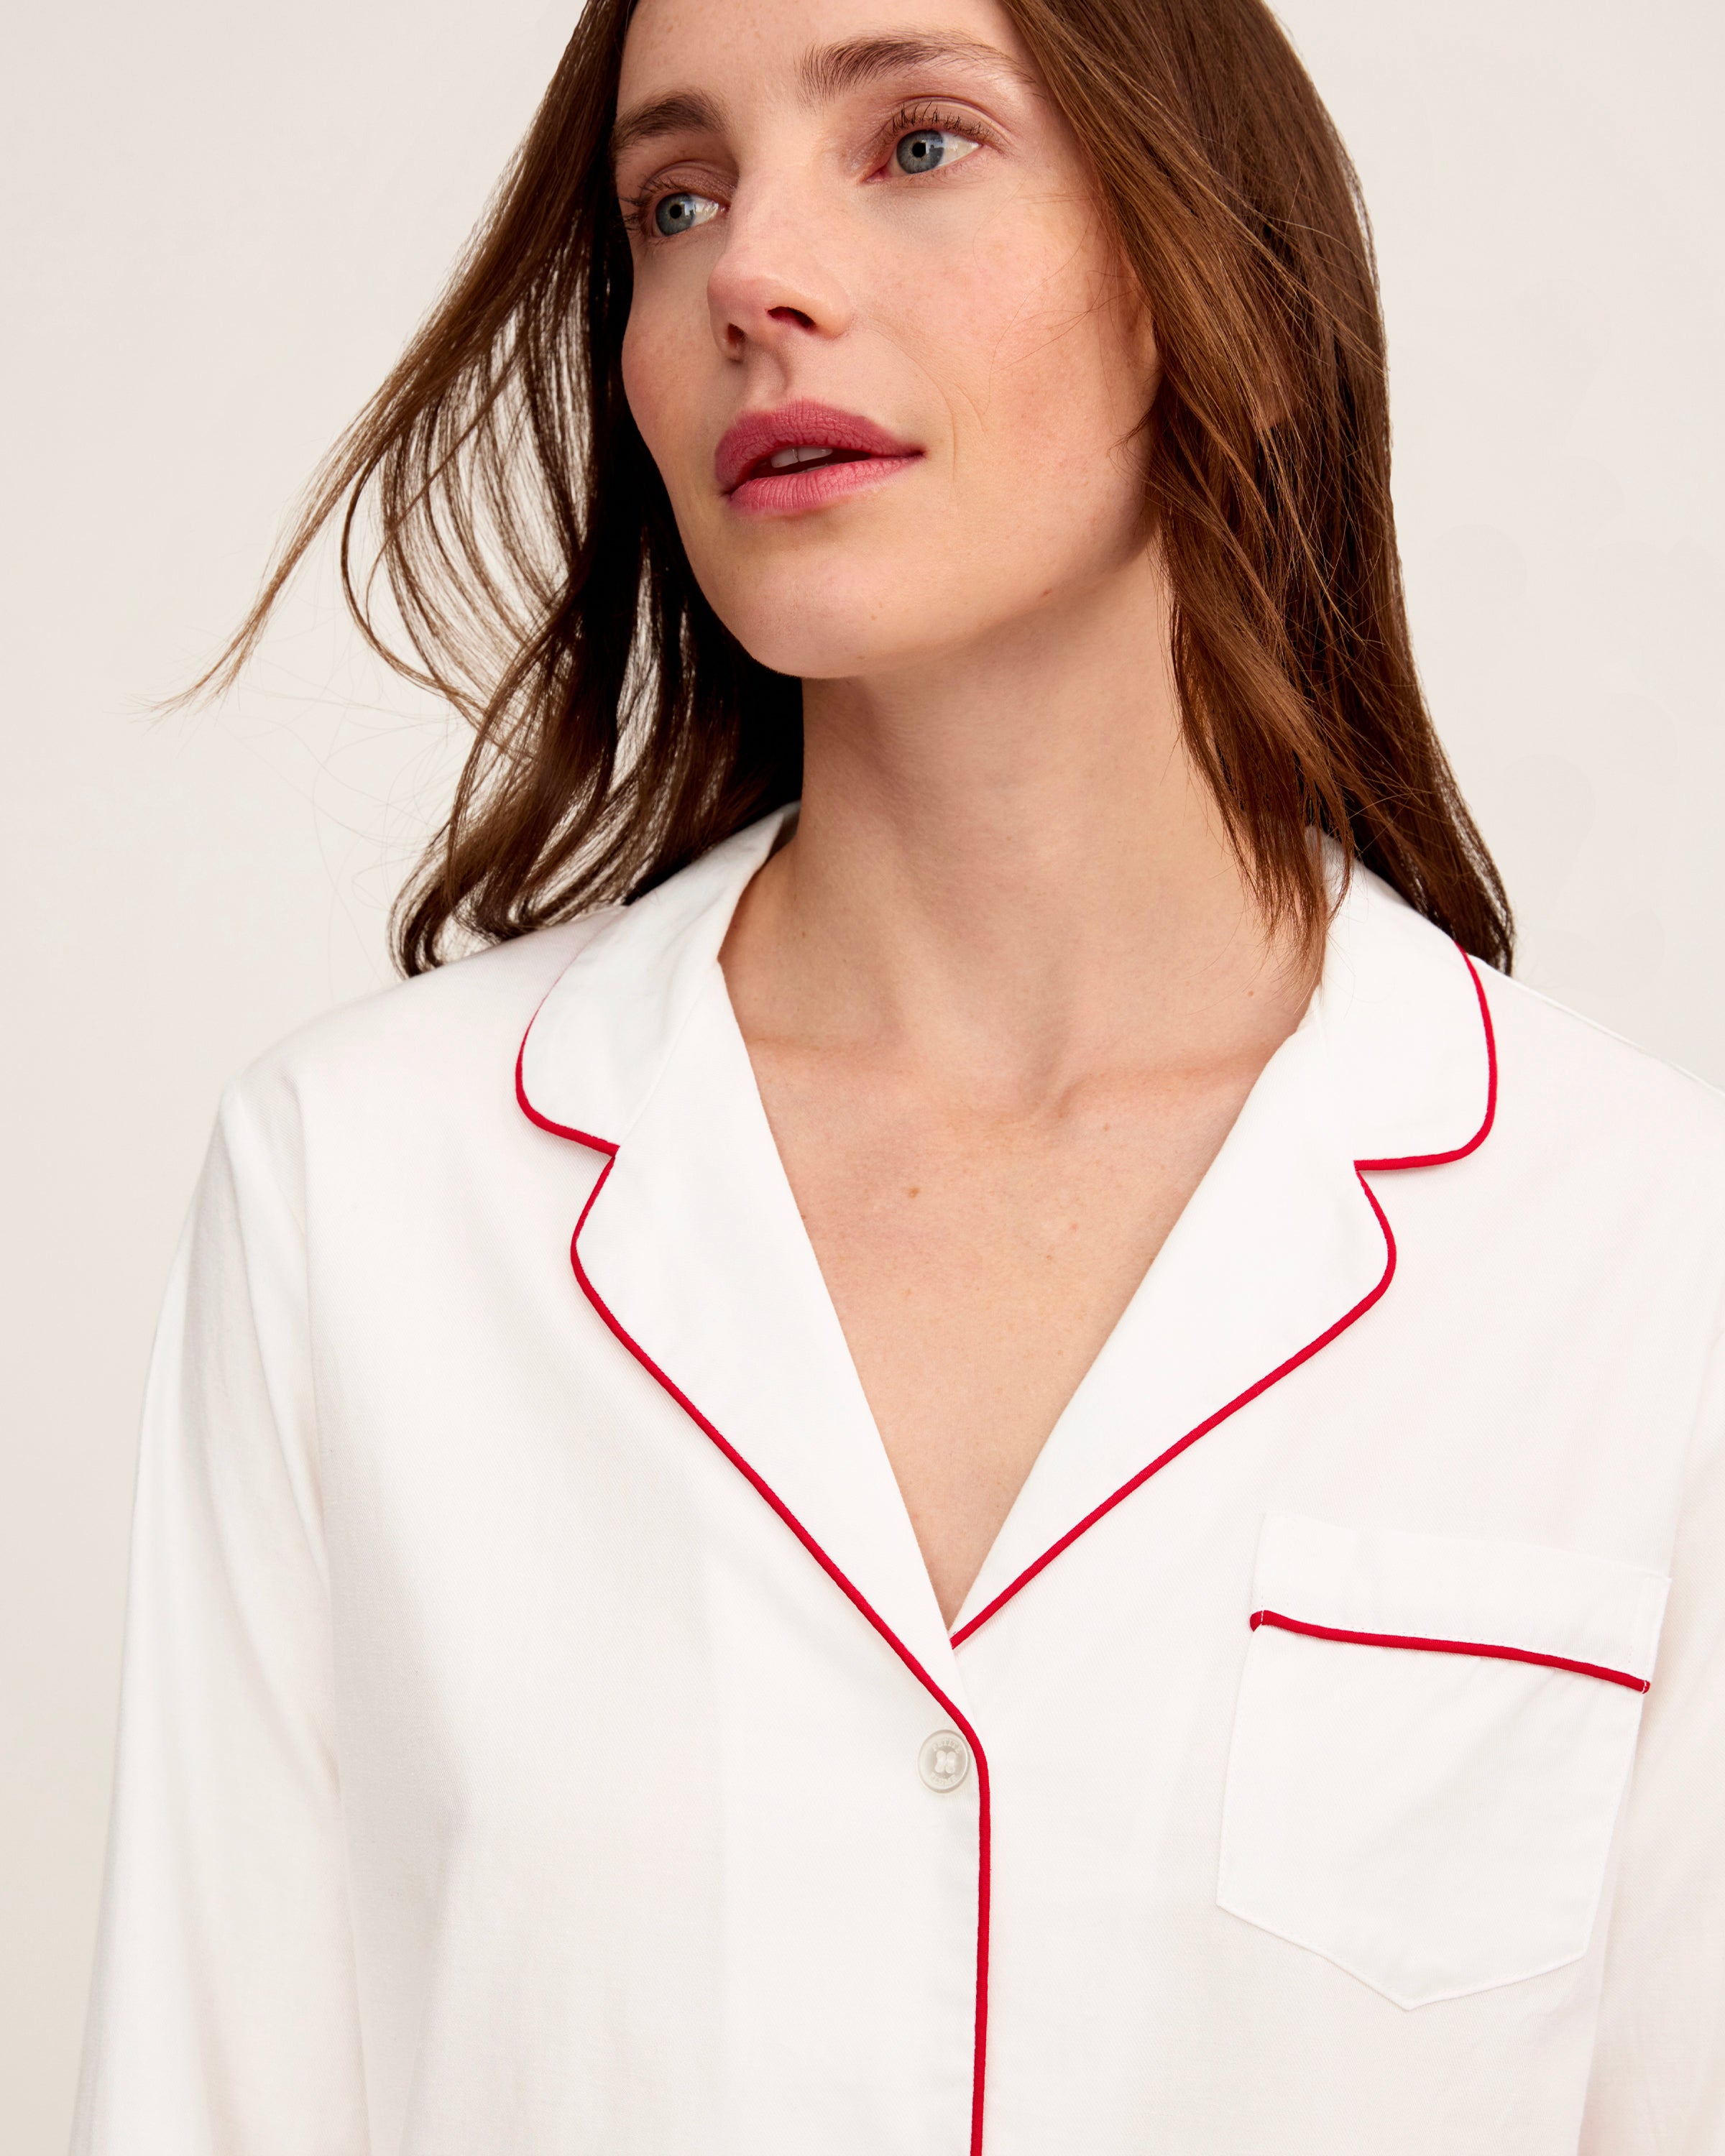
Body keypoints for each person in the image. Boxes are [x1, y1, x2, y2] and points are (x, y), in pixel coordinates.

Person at [72, 0, 1725, 2148]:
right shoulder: (363, 1199)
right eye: (674, 200)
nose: (752, 270)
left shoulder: (1636, 1253)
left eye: (918, 142)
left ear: (1197, 254)